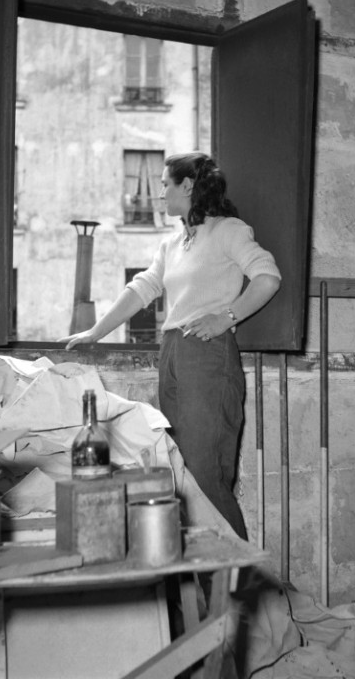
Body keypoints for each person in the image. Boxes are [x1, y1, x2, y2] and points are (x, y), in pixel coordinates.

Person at [60, 152, 281, 539]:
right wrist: (96, 332)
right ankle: (204, 589)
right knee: (185, 476)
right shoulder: (174, 244)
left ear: (188, 186)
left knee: (207, 477)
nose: (160, 193)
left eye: (164, 184)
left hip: (208, 356)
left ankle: (239, 591)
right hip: (173, 353)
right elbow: (141, 289)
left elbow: (268, 277)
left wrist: (226, 317)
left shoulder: (228, 230)